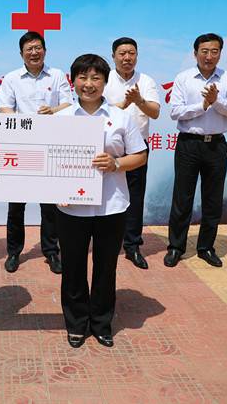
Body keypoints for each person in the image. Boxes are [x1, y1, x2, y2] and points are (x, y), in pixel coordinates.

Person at [56, 54, 147, 348]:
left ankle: (101, 322)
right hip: (72, 208)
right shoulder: (61, 119)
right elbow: (48, 161)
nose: (89, 84)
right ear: (73, 81)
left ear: (105, 82)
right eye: (83, 77)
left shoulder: (121, 117)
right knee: (73, 268)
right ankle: (76, 323)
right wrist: (56, 190)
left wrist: (116, 163)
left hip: (111, 205)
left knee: (106, 267)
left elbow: (140, 155)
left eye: (96, 78)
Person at [0, 31, 72, 274]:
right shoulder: (12, 78)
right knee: (16, 206)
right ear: (21, 53)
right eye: (29, 49)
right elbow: (4, 107)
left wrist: (53, 111)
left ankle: (51, 251)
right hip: (21, 147)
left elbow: (69, 103)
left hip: (51, 146)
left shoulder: (57, 75)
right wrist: (21, 125)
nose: (34, 52)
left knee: (50, 206)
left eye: (38, 48)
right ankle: (13, 252)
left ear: (45, 51)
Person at [164, 33, 227, 268]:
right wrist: (203, 105)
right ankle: (176, 247)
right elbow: (175, 112)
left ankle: (206, 247)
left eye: (214, 51)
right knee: (182, 198)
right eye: (204, 51)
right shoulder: (184, 78)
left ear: (220, 53)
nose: (209, 56)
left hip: (216, 145)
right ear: (195, 53)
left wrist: (217, 101)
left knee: (212, 199)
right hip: (189, 144)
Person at [103, 37, 160, 269]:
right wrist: (125, 104)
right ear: (113, 56)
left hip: (137, 149)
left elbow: (155, 112)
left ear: (137, 55)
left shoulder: (146, 81)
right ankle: (106, 242)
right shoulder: (104, 79)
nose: (127, 58)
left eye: (131, 53)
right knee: (106, 195)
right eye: (122, 53)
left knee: (135, 197)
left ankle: (132, 245)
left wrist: (139, 100)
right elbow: (98, 110)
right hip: (108, 148)